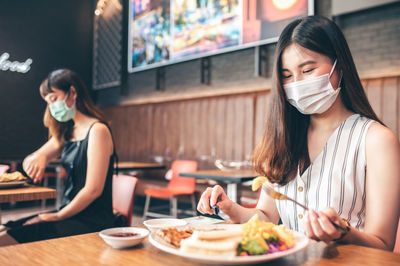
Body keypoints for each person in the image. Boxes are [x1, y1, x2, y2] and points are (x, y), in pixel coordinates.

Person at [197, 16, 400, 251]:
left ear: (339, 67)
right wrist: (231, 209)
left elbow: (382, 243)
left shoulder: (377, 141)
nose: (297, 83)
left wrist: (343, 233)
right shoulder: (284, 137)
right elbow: (267, 216)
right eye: (287, 76)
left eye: (308, 70)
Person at [0, 69, 117, 245]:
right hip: (70, 213)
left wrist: (57, 216)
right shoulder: (68, 132)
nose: (52, 107)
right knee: (7, 228)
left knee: (6, 240)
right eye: (48, 102)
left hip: (92, 220)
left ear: (73, 92)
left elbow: (93, 190)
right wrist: (39, 157)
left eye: (54, 99)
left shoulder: (98, 130)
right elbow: (32, 159)